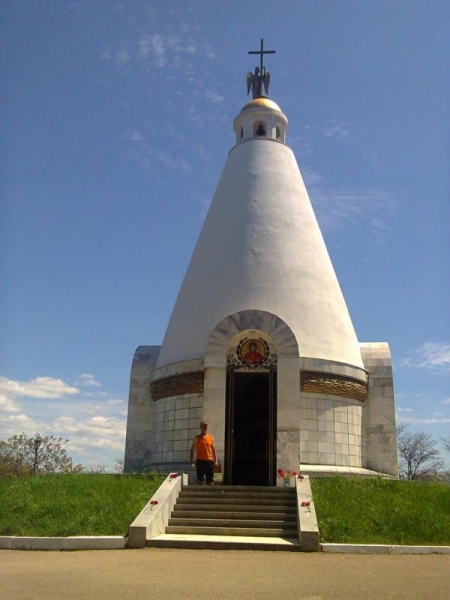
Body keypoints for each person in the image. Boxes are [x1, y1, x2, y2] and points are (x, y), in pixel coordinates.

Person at [190, 421, 218, 485]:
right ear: (200, 427)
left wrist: (216, 461)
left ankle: (210, 494)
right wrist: (191, 462)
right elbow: (192, 450)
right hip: (200, 461)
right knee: (200, 481)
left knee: (210, 481)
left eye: (206, 426)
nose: (204, 427)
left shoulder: (211, 437)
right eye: (203, 426)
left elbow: (214, 450)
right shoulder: (197, 438)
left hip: (209, 461)